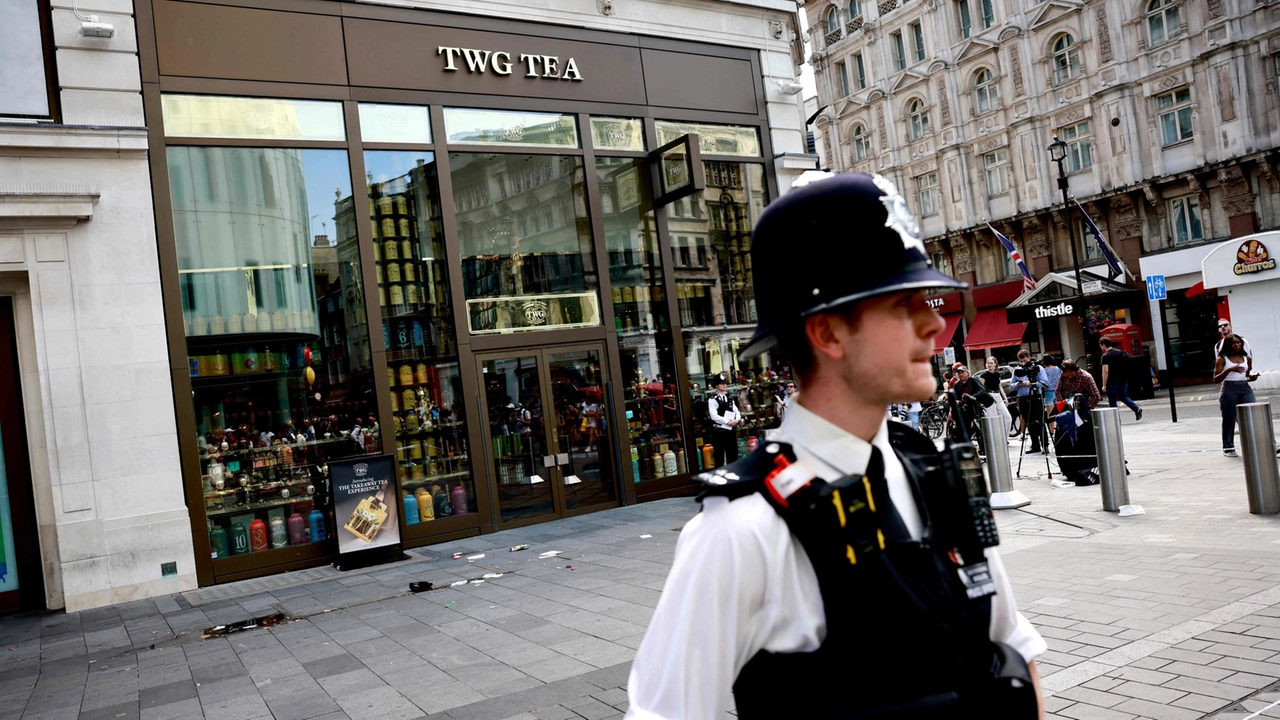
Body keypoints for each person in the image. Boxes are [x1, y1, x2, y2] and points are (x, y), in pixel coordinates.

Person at [625, 172, 1044, 719]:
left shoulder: (934, 475)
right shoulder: (741, 531)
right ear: (827, 334)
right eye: (902, 304)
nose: (934, 322)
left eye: (929, 299)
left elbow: (1014, 648)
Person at [1215, 334, 1256, 457]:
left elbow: (1246, 374)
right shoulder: (1222, 359)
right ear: (1228, 345)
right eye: (1234, 343)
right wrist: (1228, 370)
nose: (1237, 345)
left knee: (1253, 414)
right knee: (1229, 418)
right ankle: (1228, 447)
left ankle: (1263, 444)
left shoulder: (1246, 358)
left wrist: (1251, 377)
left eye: (1239, 342)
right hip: (1229, 388)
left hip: (1244, 387)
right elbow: (1216, 379)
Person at [1013, 349, 1050, 453]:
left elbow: (1045, 382)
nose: (1023, 363)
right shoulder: (1018, 369)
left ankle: (1045, 445)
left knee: (1040, 421)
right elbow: (1012, 384)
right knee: (1029, 422)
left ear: (1029, 357)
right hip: (1022, 398)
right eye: (1021, 361)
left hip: (1035, 396)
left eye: (1024, 360)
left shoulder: (1038, 368)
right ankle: (1035, 445)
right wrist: (1018, 384)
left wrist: (1031, 383)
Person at [1099, 338, 1142, 420]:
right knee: (1123, 396)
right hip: (1123, 378)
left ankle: (1115, 419)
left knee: (1112, 398)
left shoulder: (1105, 356)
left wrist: (1104, 385)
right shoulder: (1120, 352)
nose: (1101, 347)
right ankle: (1136, 409)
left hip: (1112, 380)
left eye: (1101, 345)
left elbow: (1106, 371)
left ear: (1103, 345)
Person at [707, 373, 741, 467]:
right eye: (722, 384)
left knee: (733, 454)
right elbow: (714, 416)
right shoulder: (713, 399)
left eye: (725, 383)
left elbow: (736, 411)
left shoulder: (729, 398)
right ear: (717, 386)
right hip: (719, 432)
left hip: (730, 430)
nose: (724, 385)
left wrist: (737, 420)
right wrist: (727, 421)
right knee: (719, 457)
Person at [981, 356, 1015, 439]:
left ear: (995, 364)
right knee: (993, 419)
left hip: (998, 396)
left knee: (1007, 417)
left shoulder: (997, 374)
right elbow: (981, 388)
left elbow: (1000, 387)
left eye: (991, 363)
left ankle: (1004, 438)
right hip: (989, 396)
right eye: (988, 363)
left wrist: (1005, 398)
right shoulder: (984, 375)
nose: (989, 365)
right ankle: (996, 439)